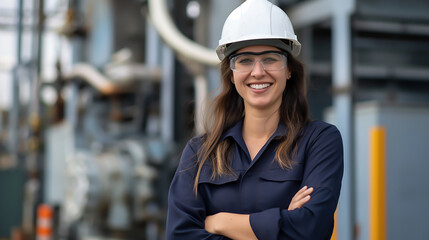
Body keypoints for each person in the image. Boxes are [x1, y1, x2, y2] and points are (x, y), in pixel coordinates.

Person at [165, 0, 343, 239]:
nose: (258, 72)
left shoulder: (319, 142)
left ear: (289, 69)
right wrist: (281, 223)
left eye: (270, 58)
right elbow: (180, 235)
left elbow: (311, 229)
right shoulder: (199, 153)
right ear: (232, 74)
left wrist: (220, 222)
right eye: (245, 60)